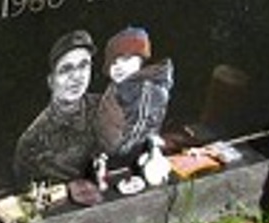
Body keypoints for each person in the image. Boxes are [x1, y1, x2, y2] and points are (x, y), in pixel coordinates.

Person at [13, 30, 102, 185]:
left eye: (83, 66)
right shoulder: (32, 141)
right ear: (50, 80)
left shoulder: (107, 108)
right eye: (66, 69)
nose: (77, 77)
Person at [94, 26, 174, 160]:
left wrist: (116, 157)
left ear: (141, 61)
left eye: (125, 59)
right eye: (113, 62)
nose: (118, 66)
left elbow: (139, 130)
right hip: (106, 150)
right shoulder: (120, 84)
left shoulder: (146, 90)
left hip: (127, 157)